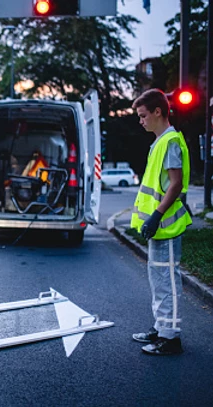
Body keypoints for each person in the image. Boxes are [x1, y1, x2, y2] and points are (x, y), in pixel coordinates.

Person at [130, 88, 192, 356]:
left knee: (167, 281)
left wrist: (155, 216)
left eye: (143, 115)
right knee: (159, 281)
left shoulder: (170, 142)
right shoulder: (159, 142)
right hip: (159, 226)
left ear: (158, 111)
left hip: (166, 225)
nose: (141, 120)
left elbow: (175, 184)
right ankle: (161, 327)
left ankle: (170, 338)